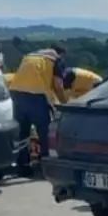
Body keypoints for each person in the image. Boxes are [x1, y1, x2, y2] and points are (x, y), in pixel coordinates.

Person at [7, 44, 69, 177]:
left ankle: (22, 166)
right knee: (44, 131)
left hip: (15, 92)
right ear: (60, 54)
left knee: (22, 132)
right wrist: (65, 104)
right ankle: (45, 166)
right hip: (35, 95)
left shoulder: (31, 56)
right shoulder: (55, 60)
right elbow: (58, 85)